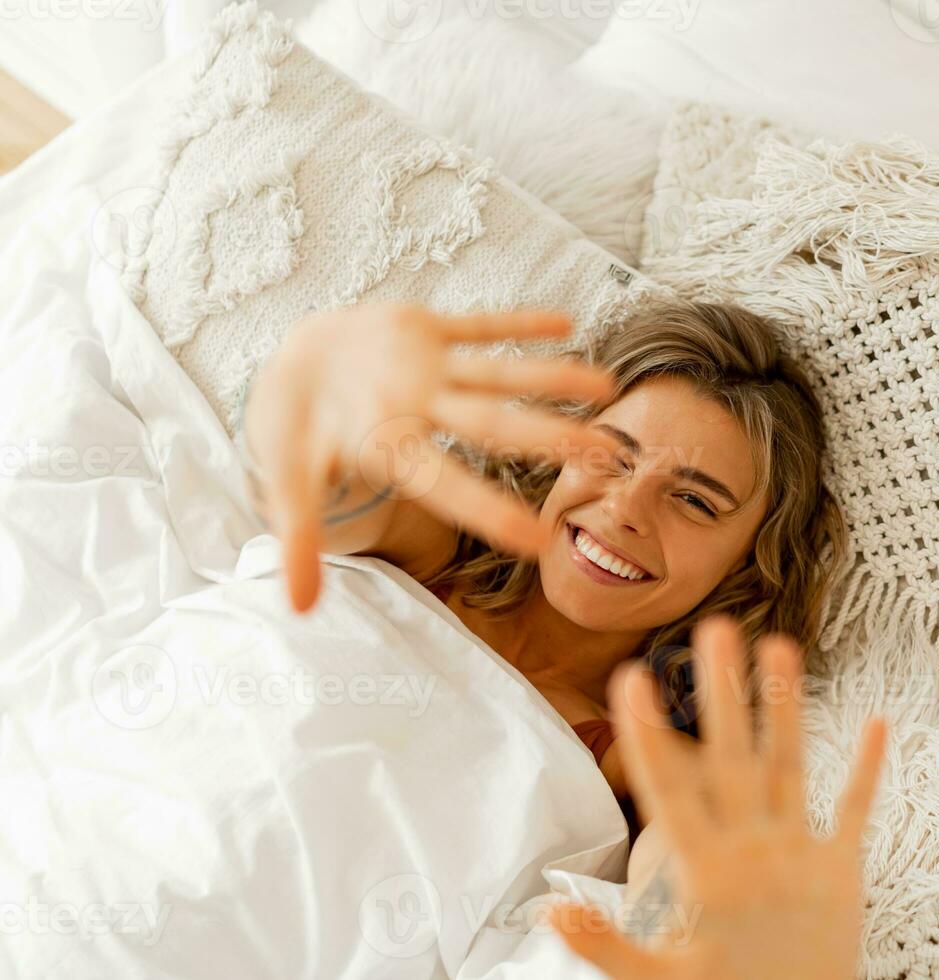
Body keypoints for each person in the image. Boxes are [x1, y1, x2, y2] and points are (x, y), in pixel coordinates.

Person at [240, 299, 888, 978]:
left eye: (694, 500)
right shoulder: (428, 546)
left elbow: (690, 872)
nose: (623, 510)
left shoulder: (646, 756)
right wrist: (320, 405)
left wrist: (681, 937)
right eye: (611, 456)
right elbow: (318, 489)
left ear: (748, 567)